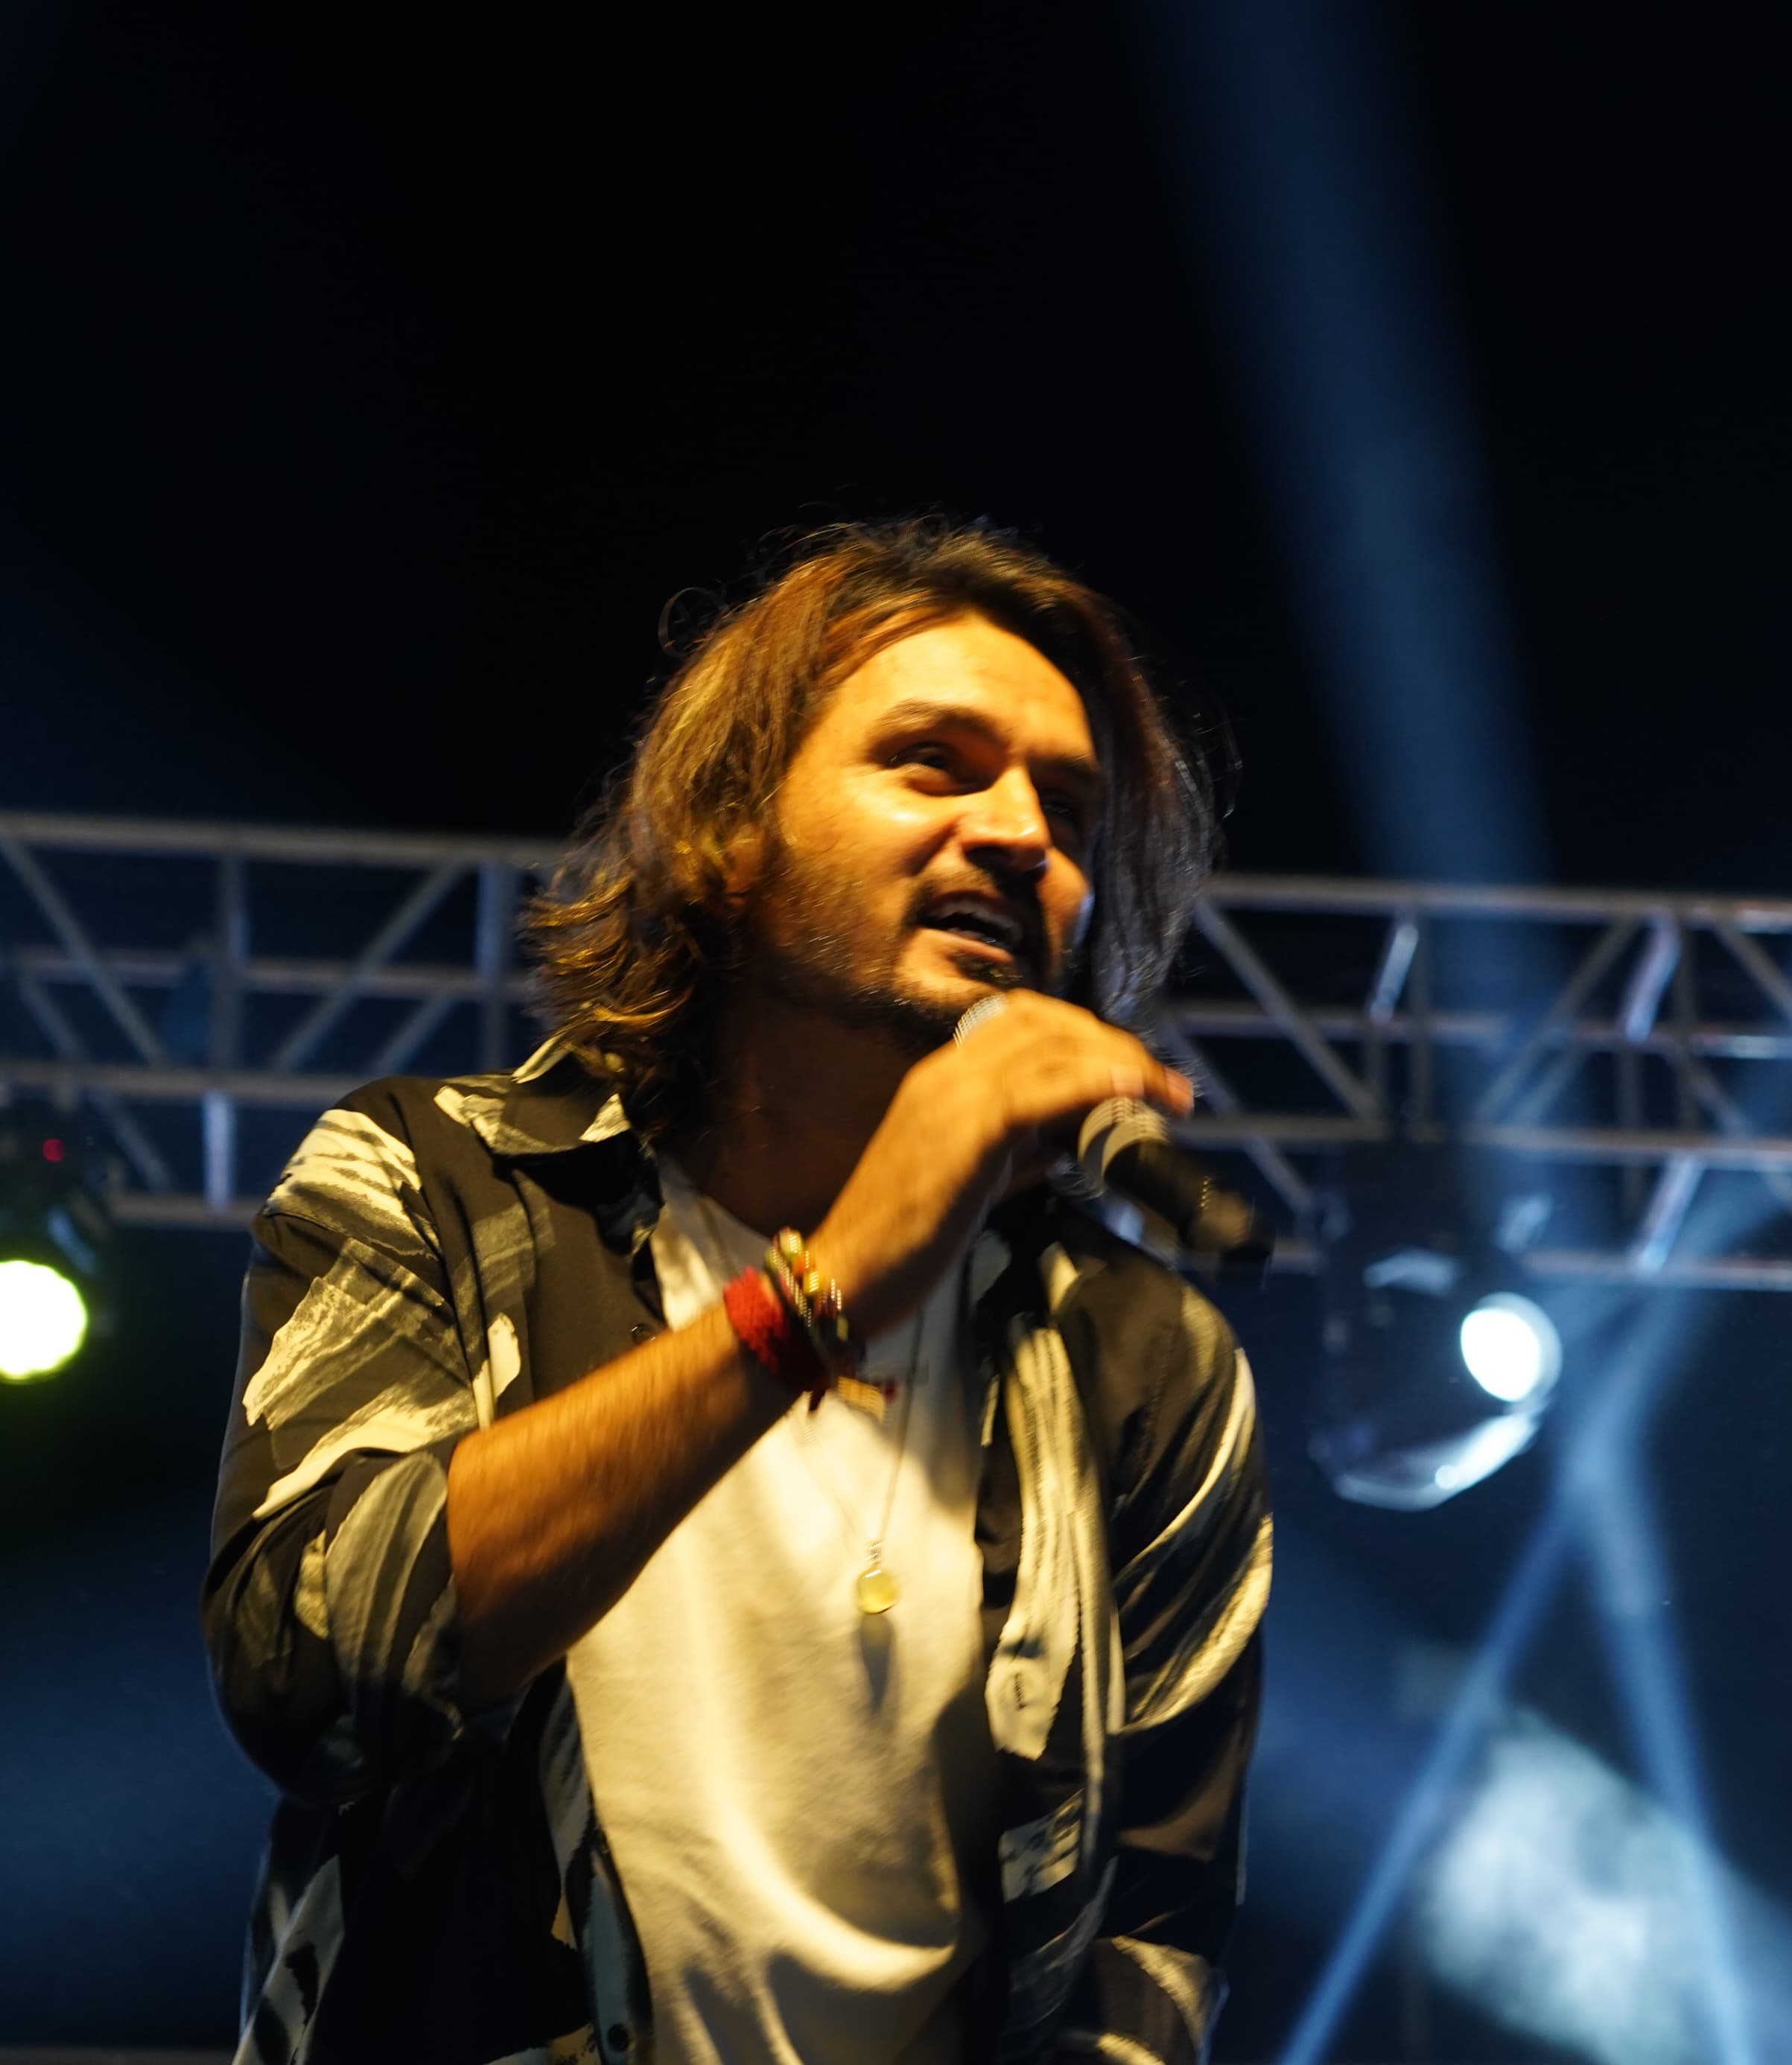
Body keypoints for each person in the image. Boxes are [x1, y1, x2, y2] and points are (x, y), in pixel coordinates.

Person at [203, 518, 1271, 2065]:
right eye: (934, 763)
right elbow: (312, 1677)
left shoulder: (1142, 1356)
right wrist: (832, 1284)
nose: (1019, 834)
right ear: (728, 828)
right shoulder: (438, 1182)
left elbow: (1156, 1931)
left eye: (1071, 809)